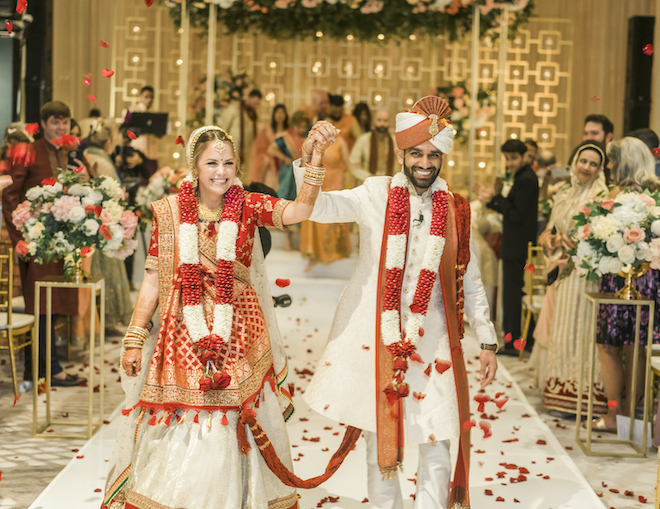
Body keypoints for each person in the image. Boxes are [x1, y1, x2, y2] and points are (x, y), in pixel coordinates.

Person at [103, 122, 342, 509]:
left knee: (232, 415)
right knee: (192, 417)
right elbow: (152, 280)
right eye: (212, 163)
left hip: (239, 328)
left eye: (228, 163)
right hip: (184, 329)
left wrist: (314, 158)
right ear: (195, 167)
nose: (221, 171)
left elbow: (299, 211)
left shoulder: (248, 205)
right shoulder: (169, 212)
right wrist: (134, 337)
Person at [295, 96, 498, 509]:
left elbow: (470, 279)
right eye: (417, 153)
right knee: (380, 446)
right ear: (401, 153)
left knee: (438, 441)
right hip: (377, 340)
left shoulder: (456, 209)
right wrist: (311, 159)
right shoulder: (375, 194)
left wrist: (488, 340)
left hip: (435, 339)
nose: (425, 163)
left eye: (433, 154)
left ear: (442, 158)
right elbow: (320, 208)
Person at [2, 100, 84, 387]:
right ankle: (42, 368)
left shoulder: (67, 152)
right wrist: (20, 240)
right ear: (44, 123)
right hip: (35, 242)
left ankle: (45, 368)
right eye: (54, 122)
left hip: (60, 243)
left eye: (64, 122)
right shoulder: (29, 151)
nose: (60, 127)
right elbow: (9, 194)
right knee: (38, 305)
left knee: (53, 304)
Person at [535, 141, 609, 414]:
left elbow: (602, 237)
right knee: (563, 330)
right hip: (565, 275)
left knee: (582, 332)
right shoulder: (565, 193)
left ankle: (585, 397)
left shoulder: (601, 196)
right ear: (575, 161)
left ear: (600, 169)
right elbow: (551, 231)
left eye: (593, 164)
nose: (586, 167)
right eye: (583, 161)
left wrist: (575, 248)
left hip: (587, 275)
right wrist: (550, 240)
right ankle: (561, 393)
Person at [593, 137, 660, 431]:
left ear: (624, 163)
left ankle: (614, 417)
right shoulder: (656, 195)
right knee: (637, 346)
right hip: (650, 276)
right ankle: (628, 419)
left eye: (611, 160)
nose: (608, 166)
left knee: (608, 345)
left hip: (620, 276)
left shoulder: (615, 198)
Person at [478, 139, 539, 355]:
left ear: (524, 157)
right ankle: (522, 341)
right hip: (517, 246)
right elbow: (510, 209)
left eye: (513, 158)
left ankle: (515, 344)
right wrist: (493, 199)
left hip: (518, 247)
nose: (510, 163)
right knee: (514, 295)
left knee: (513, 296)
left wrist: (497, 198)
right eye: (507, 158)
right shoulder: (522, 177)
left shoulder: (527, 180)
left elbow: (515, 215)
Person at [83, 123, 134, 330]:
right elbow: (114, 196)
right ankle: (107, 318)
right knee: (106, 270)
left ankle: (96, 319)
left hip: (86, 222)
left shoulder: (85, 155)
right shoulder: (104, 162)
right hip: (104, 222)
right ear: (108, 142)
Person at [299, 119, 351, 272]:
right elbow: (304, 162)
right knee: (312, 216)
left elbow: (346, 164)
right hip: (317, 182)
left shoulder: (340, 142)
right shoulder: (311, 142)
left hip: (334, 183)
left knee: (331, 216)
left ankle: (333, 254)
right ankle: (313, 256)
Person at [270, 110, 310, 202]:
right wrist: (284, 158)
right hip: (288, 171)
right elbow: (271, 149)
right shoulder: (287, 136)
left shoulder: (308, 138)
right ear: (293, 126)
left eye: (304, 127)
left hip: (304, 171)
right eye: (299, 127)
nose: (302, 130)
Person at [219, 88, 262, 173]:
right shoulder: (235, 108)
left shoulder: (253, 114)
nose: (255, 106)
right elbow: (224, 127)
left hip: (247, 151)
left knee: (244, 176)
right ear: (249, 98)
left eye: (257, 104)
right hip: (233, 148)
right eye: (255, 103)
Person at [348, 110, 397, 184]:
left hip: (389, 184)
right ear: (374, 121)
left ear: (389, 122)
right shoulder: (363, 139)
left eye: (385, 121)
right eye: (379, 120)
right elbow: (353, 164)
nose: (382, 124)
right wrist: (370, 177)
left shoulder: (395, 141)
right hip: (367, 183)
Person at [248, 103, 288, 188]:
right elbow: (259, 148)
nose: (280, 115)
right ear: (274, 114)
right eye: (278, 112)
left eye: (282, 112)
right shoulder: (267, 130)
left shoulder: (288, 132)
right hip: (269, 166)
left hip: (284, 165)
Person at [129, 86, 159, 164]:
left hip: (152, 152)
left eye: (151, 97)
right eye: (146, 97)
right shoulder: (133, 111)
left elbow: (160, 134)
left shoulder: (155, 113)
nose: (149, 100)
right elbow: (126, 131)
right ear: (140, 97)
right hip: (137, 150)